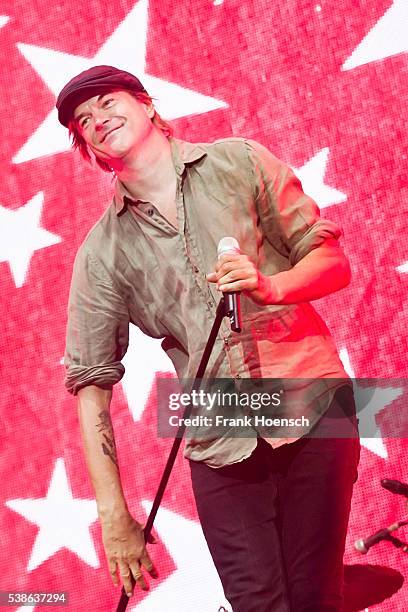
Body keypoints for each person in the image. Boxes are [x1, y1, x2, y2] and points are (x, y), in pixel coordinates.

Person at [57, 65, 360, 611]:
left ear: (148, 105)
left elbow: (333, 263)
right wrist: (114, 517)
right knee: (258, 603)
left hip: (312, 403)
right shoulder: (101, 253)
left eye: (108, 103)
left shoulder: (238, 161)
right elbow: (90, 386)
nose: (98, 120)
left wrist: (271, 285)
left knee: (317, 598)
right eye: (84, 121)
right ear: (88, 149)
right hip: (217, 436)